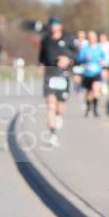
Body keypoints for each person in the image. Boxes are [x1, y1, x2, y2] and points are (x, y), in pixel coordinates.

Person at [37, 17, 76, 147]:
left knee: (60, 107)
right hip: (49, 75)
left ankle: (58, 116)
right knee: (50, 105)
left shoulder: (68, 38)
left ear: (60, 26)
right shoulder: (46, 40)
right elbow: (41, 56)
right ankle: (52, 135)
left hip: (63, 76)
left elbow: (77, 53)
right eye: (51, 24)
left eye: (56, 24)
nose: (53, 27)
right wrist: (40, 65)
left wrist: (68, 59)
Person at [77, 31, 106, 116]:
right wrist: (85, 58)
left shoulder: (99, 48)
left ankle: (95, 110)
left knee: (96, 89)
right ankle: (88, 108)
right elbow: (79, 59)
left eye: (93, 37)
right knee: (89, 93)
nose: (91, 39)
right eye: (90, 37)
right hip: (87, 73)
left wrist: (102, 62)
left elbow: (103, 59)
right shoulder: (84, 49)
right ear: (88, 38)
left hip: (97, 72)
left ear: (96, 38)